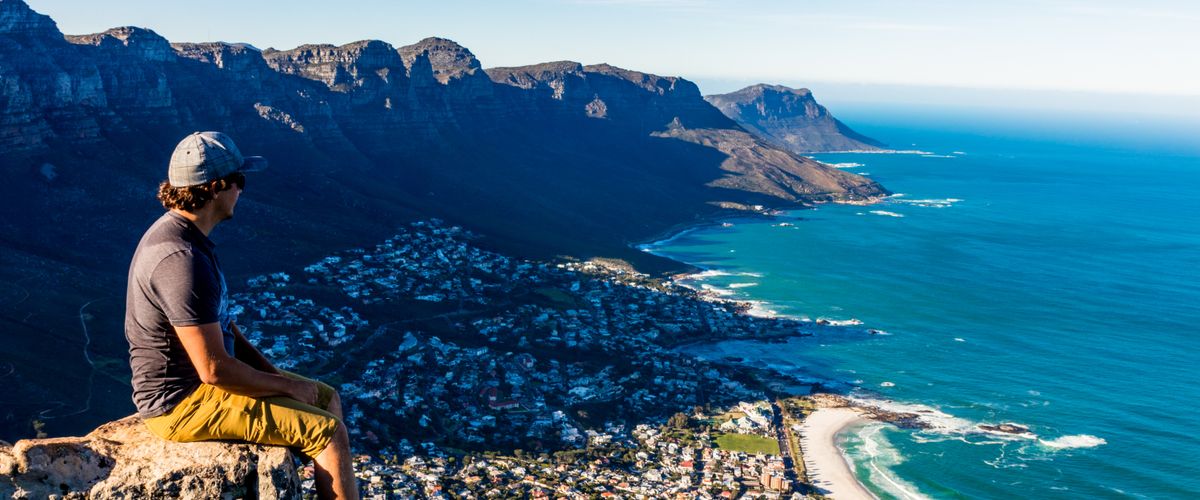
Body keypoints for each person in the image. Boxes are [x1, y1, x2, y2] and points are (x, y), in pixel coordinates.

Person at [125, 131, 358, 499]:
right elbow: (214, 370)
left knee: (326, 398)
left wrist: (274, 374)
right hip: (182, 403)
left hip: (202, 387)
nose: (243, 191)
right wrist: (286, 387)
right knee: (329, 433)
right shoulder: (180, 259)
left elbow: (224, 325)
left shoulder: (190, 239)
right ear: (217, 187)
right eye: (240, 181)